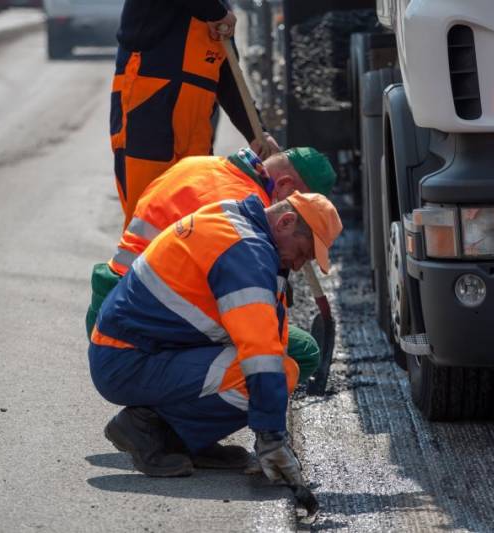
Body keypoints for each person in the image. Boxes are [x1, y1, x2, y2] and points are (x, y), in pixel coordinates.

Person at [88, 192, 343, 478]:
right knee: (271, 373)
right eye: (303, 252)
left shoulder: (241, 224)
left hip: (140, 348)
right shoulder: (245, 252)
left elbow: (273, 337)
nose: (299, 264)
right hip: (126, 360)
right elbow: (260, 352)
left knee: (281, 368)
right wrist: (271, 437)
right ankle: (147, 430)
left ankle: (189, 439)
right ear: (285, 222)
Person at [86, 146, 337, 382]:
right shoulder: (243, 211)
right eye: (303, 206)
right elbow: (249, 313)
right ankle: (161, 416)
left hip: (107, 300)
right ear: (285, 185)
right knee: (297, 353)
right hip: (141, 324)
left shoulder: (198, 165)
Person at [110, 0, 280, 229]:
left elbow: (229, 78)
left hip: (196, 123)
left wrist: (256, 132)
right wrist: (216, 12)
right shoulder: (215, 11)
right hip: (150, 106)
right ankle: (136, 265)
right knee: (148, 215)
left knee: (191, 222)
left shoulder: (218, 11)